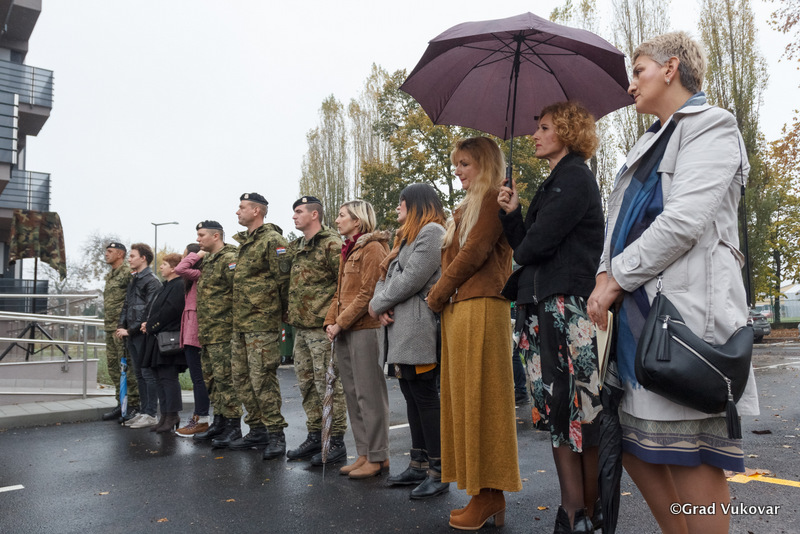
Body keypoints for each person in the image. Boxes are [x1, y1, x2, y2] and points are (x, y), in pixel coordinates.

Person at [586, 32, 759, 534]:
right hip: (635, 317)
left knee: (688, 454)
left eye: (637, 70)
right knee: (637, 448)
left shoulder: (713, 126)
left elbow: (683, 222)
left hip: (681, 318)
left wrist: (616, 277)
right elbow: (617, 224)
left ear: (670, 68)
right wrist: (603, 273)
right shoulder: (646, 142)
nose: (630, 84)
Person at [498, 101, 605, 534]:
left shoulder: (574, 177)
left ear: (567, 131)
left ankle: (584, 511)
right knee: (561, 410)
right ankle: (575, 510)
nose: (535, 135)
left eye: (544, 127)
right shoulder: (556, 182)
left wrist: (521, 229)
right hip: (546, 306)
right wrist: (512, 214)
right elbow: (527, 245)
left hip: (565, 308)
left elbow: (531, 249)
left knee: (578, 409)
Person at [426, 137, 522, 530]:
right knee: (468, 401)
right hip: (462, 309)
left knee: (482, 401)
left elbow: (475, 253)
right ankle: (483, 494)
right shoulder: (470, 205)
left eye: (465, 163)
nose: (458, 170)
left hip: (480, 306)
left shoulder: (493, 199)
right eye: (457, 164)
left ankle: (489, 494)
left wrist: (437, 294)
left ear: (484, 163)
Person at [369, 183, 449, 499]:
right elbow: (385, 278)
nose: (397, 207)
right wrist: (380, 305)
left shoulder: (432, 232)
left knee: (425, 396)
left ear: (416, 204)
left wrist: (379, 304)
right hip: (402, 329)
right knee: (411, 394)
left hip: (418, 329)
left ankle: (439, 471)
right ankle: (419, 463)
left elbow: (411, 279)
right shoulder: (406, 237)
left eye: (401, 202)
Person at [324, 200, 390, 479]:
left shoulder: (373, 248)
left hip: (364, 328)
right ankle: (364, 454)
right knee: (353, 394)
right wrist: (330, 321)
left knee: (369, 394)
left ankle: (378, 456)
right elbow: (339, 293)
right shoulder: (349, 249)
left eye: (342, 216)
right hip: (347, 330)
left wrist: (340, 322)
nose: (337, 220)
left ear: (357, 221)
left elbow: (369, 293)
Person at [224, 193, 291, 459]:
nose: (237, 211)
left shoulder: (272, 240)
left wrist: (281, 312)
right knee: (241, 379)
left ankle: (276, 434)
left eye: (242, 207)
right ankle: (257, 429)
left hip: (262, 322)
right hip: (240, 324)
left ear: (256, 211)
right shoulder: (244, 244)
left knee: (262, 379)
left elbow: (284, 280)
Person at [285, 196, 348, 465]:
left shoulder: (331, 244)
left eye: (299, 211)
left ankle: (335, 441)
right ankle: (314, 436)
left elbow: (344, 284)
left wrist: (336, 320)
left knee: (328, 385)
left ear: (314, 215)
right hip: (301, 327)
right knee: (307, 385)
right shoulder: (297, 246)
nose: (294, 216)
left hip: (323, 327)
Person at [188, 221, 244, 444]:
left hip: (224, 332)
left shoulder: (230, 258)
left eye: (201, 235)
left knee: (226, 381)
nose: (198, 239)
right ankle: (219, 423)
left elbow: (238, 293)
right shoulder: (209, 260)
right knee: (212, 381)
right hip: (209, 333)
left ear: (216, 236)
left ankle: (233, 426)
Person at [115, 243, 161, 429]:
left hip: (143, 334)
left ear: (143, 258)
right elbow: (127, 305)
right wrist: (121, 325)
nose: (129, 259)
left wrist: (131, 330)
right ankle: (144, 411)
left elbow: (149, 311)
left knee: (148, 374)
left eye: (132, 256)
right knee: (139, 374)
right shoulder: (134, 279)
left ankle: (151, 414)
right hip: (132, 335)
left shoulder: (152, 281)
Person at [141, 253, 187, 433]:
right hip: (158, 338)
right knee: (160, 378)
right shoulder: (166, 286)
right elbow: (154, 309)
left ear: (174, 268)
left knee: (168, 379)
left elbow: (171, 311)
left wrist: (150, 325)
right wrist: (147, 323)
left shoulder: (179, 285)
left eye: (165, 264)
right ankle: (165, 416)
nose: (161, 267)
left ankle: (173, 415)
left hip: (168, 339)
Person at [174, 243, 211, 436]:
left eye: (185, 255)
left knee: (199, 379)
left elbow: (180, 268)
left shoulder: (199, 275)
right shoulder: (192, 279)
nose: (183, 258)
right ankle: (199, 416)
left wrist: (198, 254)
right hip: (189, 332)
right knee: (197, 378)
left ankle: (202, 418)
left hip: (195, 333)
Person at [101, 242, 138, 422]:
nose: (106, 254)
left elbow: (135, 298)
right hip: (110, 327)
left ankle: (133, 405)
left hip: (121, 328)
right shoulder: (110, 275)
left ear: (120, 254)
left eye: (110, 251)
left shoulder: (127, 273)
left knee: (127, 367)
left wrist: (129, 326)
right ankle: (120, 403)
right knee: (114, 368)